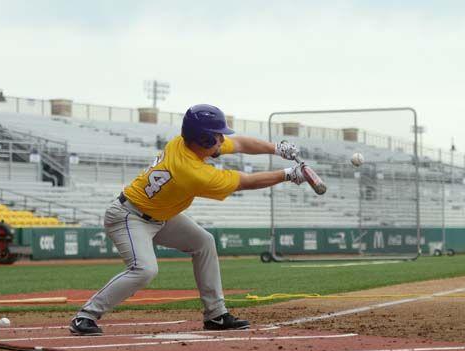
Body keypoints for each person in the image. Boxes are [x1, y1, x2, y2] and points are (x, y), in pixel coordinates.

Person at [69, 104, 305, 335]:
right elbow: (247, 181)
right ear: (202, 140)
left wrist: (277, 148)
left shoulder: (183, 143)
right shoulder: (192, 173)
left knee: (204, 242)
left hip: (160, 214)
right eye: (216, 137)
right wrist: (287, 174)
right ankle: (86, 315)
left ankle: (216, 314)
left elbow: (241, 143)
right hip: (129, 217)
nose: (222, 141)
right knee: (144, 269)